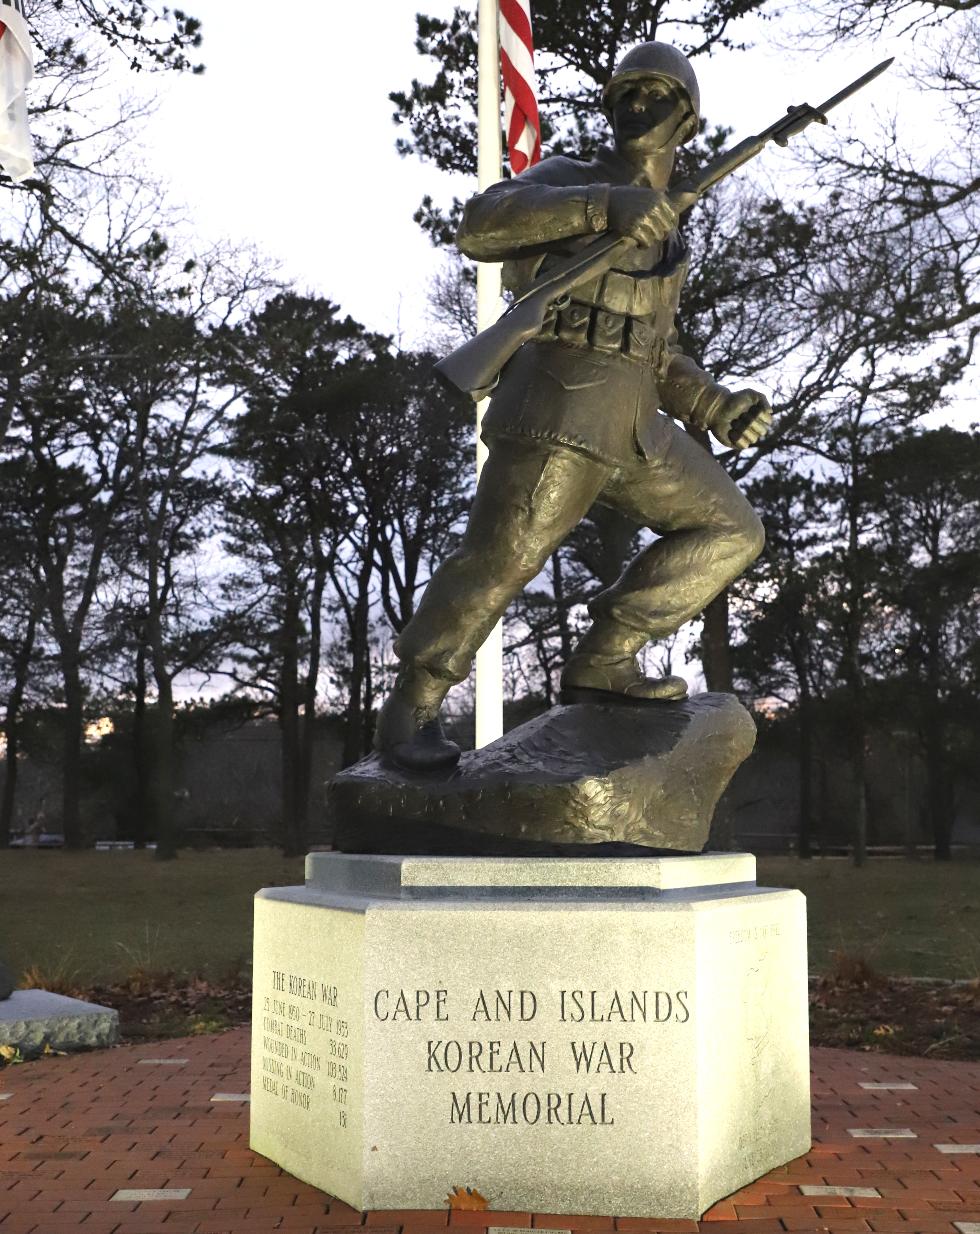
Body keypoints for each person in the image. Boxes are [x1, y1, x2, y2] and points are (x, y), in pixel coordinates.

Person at [375, 41, 772, 771]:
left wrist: (716, 406)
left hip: (635, 423)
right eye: (625, 91)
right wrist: (604, 206)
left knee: (731, 530)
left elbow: (658, 350)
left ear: (687, 119)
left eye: (656, 93)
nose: (637, 104)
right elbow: (481, 225)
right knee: (501, 561)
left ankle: (606, 655)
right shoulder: (571, 179)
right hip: (560, 403)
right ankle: (411, 710)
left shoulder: (672, 236)